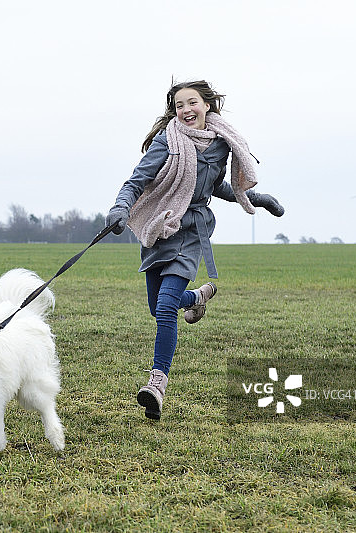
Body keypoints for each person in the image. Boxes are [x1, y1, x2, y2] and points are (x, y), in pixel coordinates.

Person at [105, 80, 284, 420]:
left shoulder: (220, 145)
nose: (186, 109)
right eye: (179, 105)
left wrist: (254, 198)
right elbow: (135, 182)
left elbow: (216, 186)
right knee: (159, 309)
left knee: (166, 304)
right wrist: (120, 209)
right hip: (161, 228)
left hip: (191, 232)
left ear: (207, 105)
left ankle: (157, 383)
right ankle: (197, 298)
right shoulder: (166, 144)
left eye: (192, 102)